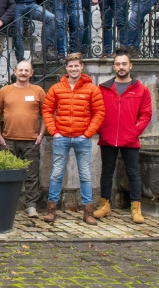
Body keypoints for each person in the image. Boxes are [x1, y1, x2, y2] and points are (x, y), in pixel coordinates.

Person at [43, 53, 105, 225]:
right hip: (61, 136)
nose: (73, 69)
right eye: (70, 66)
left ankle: (88, 211)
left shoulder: (92, 89)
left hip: (82, 138)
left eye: (76, 66)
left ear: (81, 66)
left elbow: (99, 113)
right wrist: (53, 131)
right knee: (56, 174)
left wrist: (88, 133)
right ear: (66, 68)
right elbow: (47, 110)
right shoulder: (56, 88)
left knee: (85, 175)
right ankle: (51, 209)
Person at [94, 50, 152, 224]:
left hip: (130, 138)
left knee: (133, 173)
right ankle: (105, 204)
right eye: (118, 64)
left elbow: (146, 114)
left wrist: (134, 131)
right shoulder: (103, 88)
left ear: (130, 65)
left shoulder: (141, 89)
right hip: (108, 137)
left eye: (124, 64)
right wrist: (101, 130)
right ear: (113, 67)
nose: (121, 67)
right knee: (106, 172)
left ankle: (136, 207)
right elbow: (96, 111)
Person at [0, 60, 45, 218]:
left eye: (26, 70)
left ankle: (31, 205)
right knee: (7, 173)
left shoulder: (38, 91)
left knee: (31, 174)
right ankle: (6, 203)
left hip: (31, 140)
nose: (23, 73)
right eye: (20, 70)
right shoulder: (5, 91)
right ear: (14, 72)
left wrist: (41, 134)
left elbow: (47, 115)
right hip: (8, 140)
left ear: (31, 73)